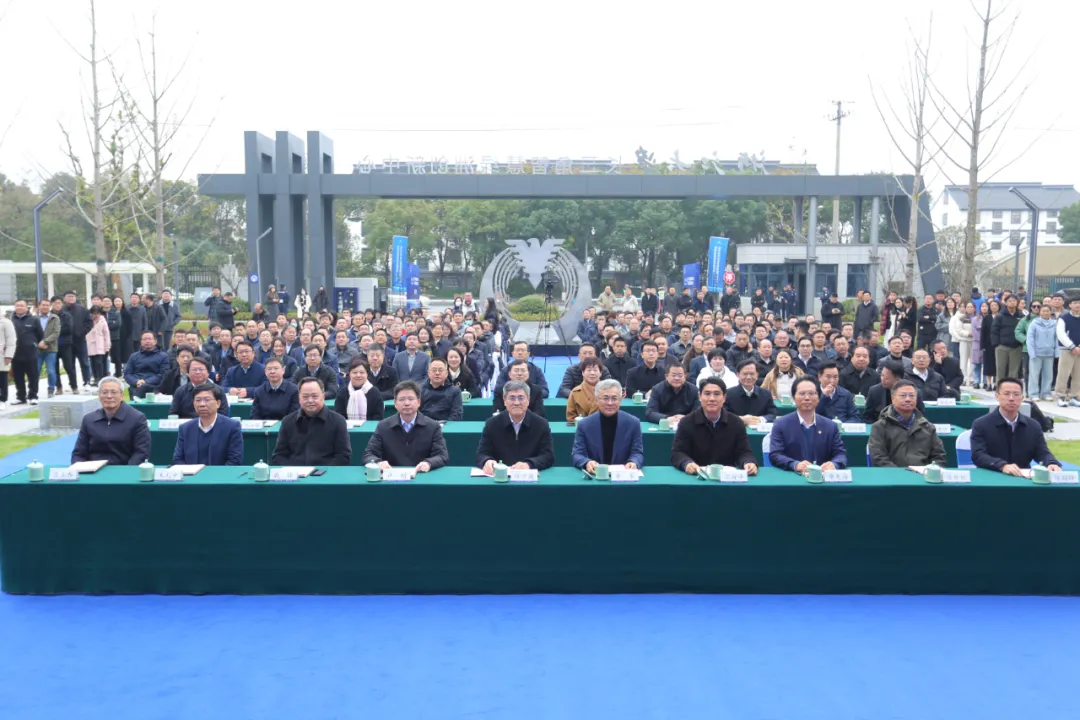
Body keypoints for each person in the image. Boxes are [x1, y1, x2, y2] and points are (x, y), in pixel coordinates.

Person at [970, 378, 1061, 475]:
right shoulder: (981, 424)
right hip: (992, 476)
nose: (1011, 398)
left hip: (1023, 478)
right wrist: (1002, 466)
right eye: (1006, 394)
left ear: (1022, 398)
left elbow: (1042, 452)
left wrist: (1051, 463)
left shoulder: (1033, 426)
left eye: (1016, 394)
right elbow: (978, 455)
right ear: (997, 396)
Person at [671, 377, 758, 476]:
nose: (712, 399)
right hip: (697, 475)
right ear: (700, 396)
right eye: (707, 394)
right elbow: (678, 453)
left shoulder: (736, 423)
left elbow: (744, 452)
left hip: (727, 478)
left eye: (717, 394)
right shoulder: (686, 422)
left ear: (724, 398)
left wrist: (748, 462)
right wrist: (686, 463)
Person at [362, 380, 449, 472]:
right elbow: (368, 454)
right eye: (402, 399)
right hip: (391, 478)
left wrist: (429, 463)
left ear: (419, 402)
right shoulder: (383, 426)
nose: (407, 403)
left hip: (421, 476)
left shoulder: (433, 426)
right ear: (395, 403)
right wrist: (378, 462)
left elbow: (442, 455)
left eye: (411, 399)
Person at [768, 377, 848, 473]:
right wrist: (795, 464)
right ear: (793, 397)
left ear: (818, 397)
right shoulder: (781, 424)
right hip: (793, 478)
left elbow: (840, 454)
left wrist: (834, 464)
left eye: (811, 393)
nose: (807, 398)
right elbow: (775, 455)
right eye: (802, 394)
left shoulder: (830, 426)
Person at [476, 380, 554, 473]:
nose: (516, 403)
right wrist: (486, 461)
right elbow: (482, 454)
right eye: (512, 398)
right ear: (504, 401)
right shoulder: (492, 424)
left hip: (529, 478)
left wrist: (529, 464)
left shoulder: (541, 424)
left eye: (521, 398)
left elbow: (548, 456)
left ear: (528, 400)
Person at [270, 377, 352, 466]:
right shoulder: (288, 421)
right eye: (305, 397)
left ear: (323, 397)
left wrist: (320, 472)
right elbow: (278, 456)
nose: (310, 400)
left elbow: (343, 456)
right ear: (299, 398)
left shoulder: (338, 421)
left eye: (314, 396)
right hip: (296, 475)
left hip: (325, 475)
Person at [71, 377, 152, 465]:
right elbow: (78, 453)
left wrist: (127, 472)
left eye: (113, 392)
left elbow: (141, 453)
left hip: (122, 471)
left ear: (121, 396)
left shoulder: (137, 418)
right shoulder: (89, 419)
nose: (109, 396)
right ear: (99, 395)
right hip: (93, 471)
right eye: (104, 392)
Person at [867, 379, 946, 468]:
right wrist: (900, 475)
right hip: (892, 477)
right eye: (903, 396)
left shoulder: (928, 427)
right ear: (893, 398)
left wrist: (930, 471)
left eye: (912, 396)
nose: (908, 399)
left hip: (922, 477)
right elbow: (878, 458)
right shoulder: (880, 427)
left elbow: (939, 456)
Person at [570, 379, 644, 471]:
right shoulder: (584, 424)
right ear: (596, 400)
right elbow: (577, 454)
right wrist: (586, 462)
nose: (610, 403)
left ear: (620, 400)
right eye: (605, 398)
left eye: (614, 398)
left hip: (623, 477)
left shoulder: (633, 423)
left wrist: (634, 462)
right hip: (595, 476)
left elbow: (637, 453)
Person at [172, 384, 244, 466]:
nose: (202, 404)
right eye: (198, 400)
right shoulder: (185, 428)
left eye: (207, 400)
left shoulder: (232, 427)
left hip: (219, 477)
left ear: (218, 403)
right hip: (192, 477)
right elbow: (177, 459)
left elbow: (234, 461)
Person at [8, 299, 44, 406]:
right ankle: (20, 397)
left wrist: (33, 344)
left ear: (26, 308)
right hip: (15, 353)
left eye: (22, 306)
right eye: (17, 305)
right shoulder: (10, 320)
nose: (19, 307)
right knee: (18, 376)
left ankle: (33, 396)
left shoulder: (33, 320)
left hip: (30, 353)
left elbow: (40, 335)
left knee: (33, 376)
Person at [723, 360, 777, 426]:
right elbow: (723, 414)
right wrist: (741, 419)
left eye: (752, 374)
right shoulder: (728, 394)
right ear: (738, 375)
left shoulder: (766, 394)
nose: (748, 377)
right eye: (745, 374)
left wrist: (759, 419)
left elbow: (772, 414)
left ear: (757, 375)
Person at [334, 357, 384, 422]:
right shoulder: (343, 393)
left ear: (367, 374)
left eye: (362, 372)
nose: (358, 375)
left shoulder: (374, 392)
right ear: (349, 374)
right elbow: (339, 415)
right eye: (354, 372)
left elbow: (378, 416)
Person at [123, 331, 168, 399]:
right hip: (137, 386)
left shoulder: (163, 356)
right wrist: (136, 382)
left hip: (155, 386)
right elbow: (127, 374)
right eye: (144, 339)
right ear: (141, 342)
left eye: (149, 339)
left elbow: (163, 374)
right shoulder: (134, 356)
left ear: (155, 341)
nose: (147, 341)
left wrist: (146, 382)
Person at [1055, 296, 1080, 407]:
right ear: (1070, 305)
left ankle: (1075, 396)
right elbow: (1061, 334)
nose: (1077, 305)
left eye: (1079, 303)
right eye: (1075, 303)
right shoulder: (1063, 318)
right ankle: (1061, 396)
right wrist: (1072, 347)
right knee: (1063, 374)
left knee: (1078, 375)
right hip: (1067, 350)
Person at [419, 357, 463, 421]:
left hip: (446, 426)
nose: (437, 373)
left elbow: (456, 414)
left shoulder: (455, 391)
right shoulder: (420, 390)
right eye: (434, 370)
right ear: (428, 373)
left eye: (440, 370)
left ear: (446, 374)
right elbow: (416, 413)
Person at [992, 294, 1023, 380]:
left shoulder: (1021, 316)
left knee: (1014, 371)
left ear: (1017, 302)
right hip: (1002, 347)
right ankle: (999, 389)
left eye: (1014, 300)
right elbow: (994, 331)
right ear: (1005, 303)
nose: (1012, 302)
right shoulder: (1000, 316)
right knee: (1000, 369)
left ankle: (1012, 389)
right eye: (1010, 301)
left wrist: (1021, 343)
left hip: (1016, 347)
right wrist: (997, 344)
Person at [566, 356, 604, 421]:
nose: (592, 373)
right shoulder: (575, 392)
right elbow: (570, 416)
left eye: (595, 370)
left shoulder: (607, 390)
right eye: (588, 370)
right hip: (582, 427)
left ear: (600, 373)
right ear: (583, 373)